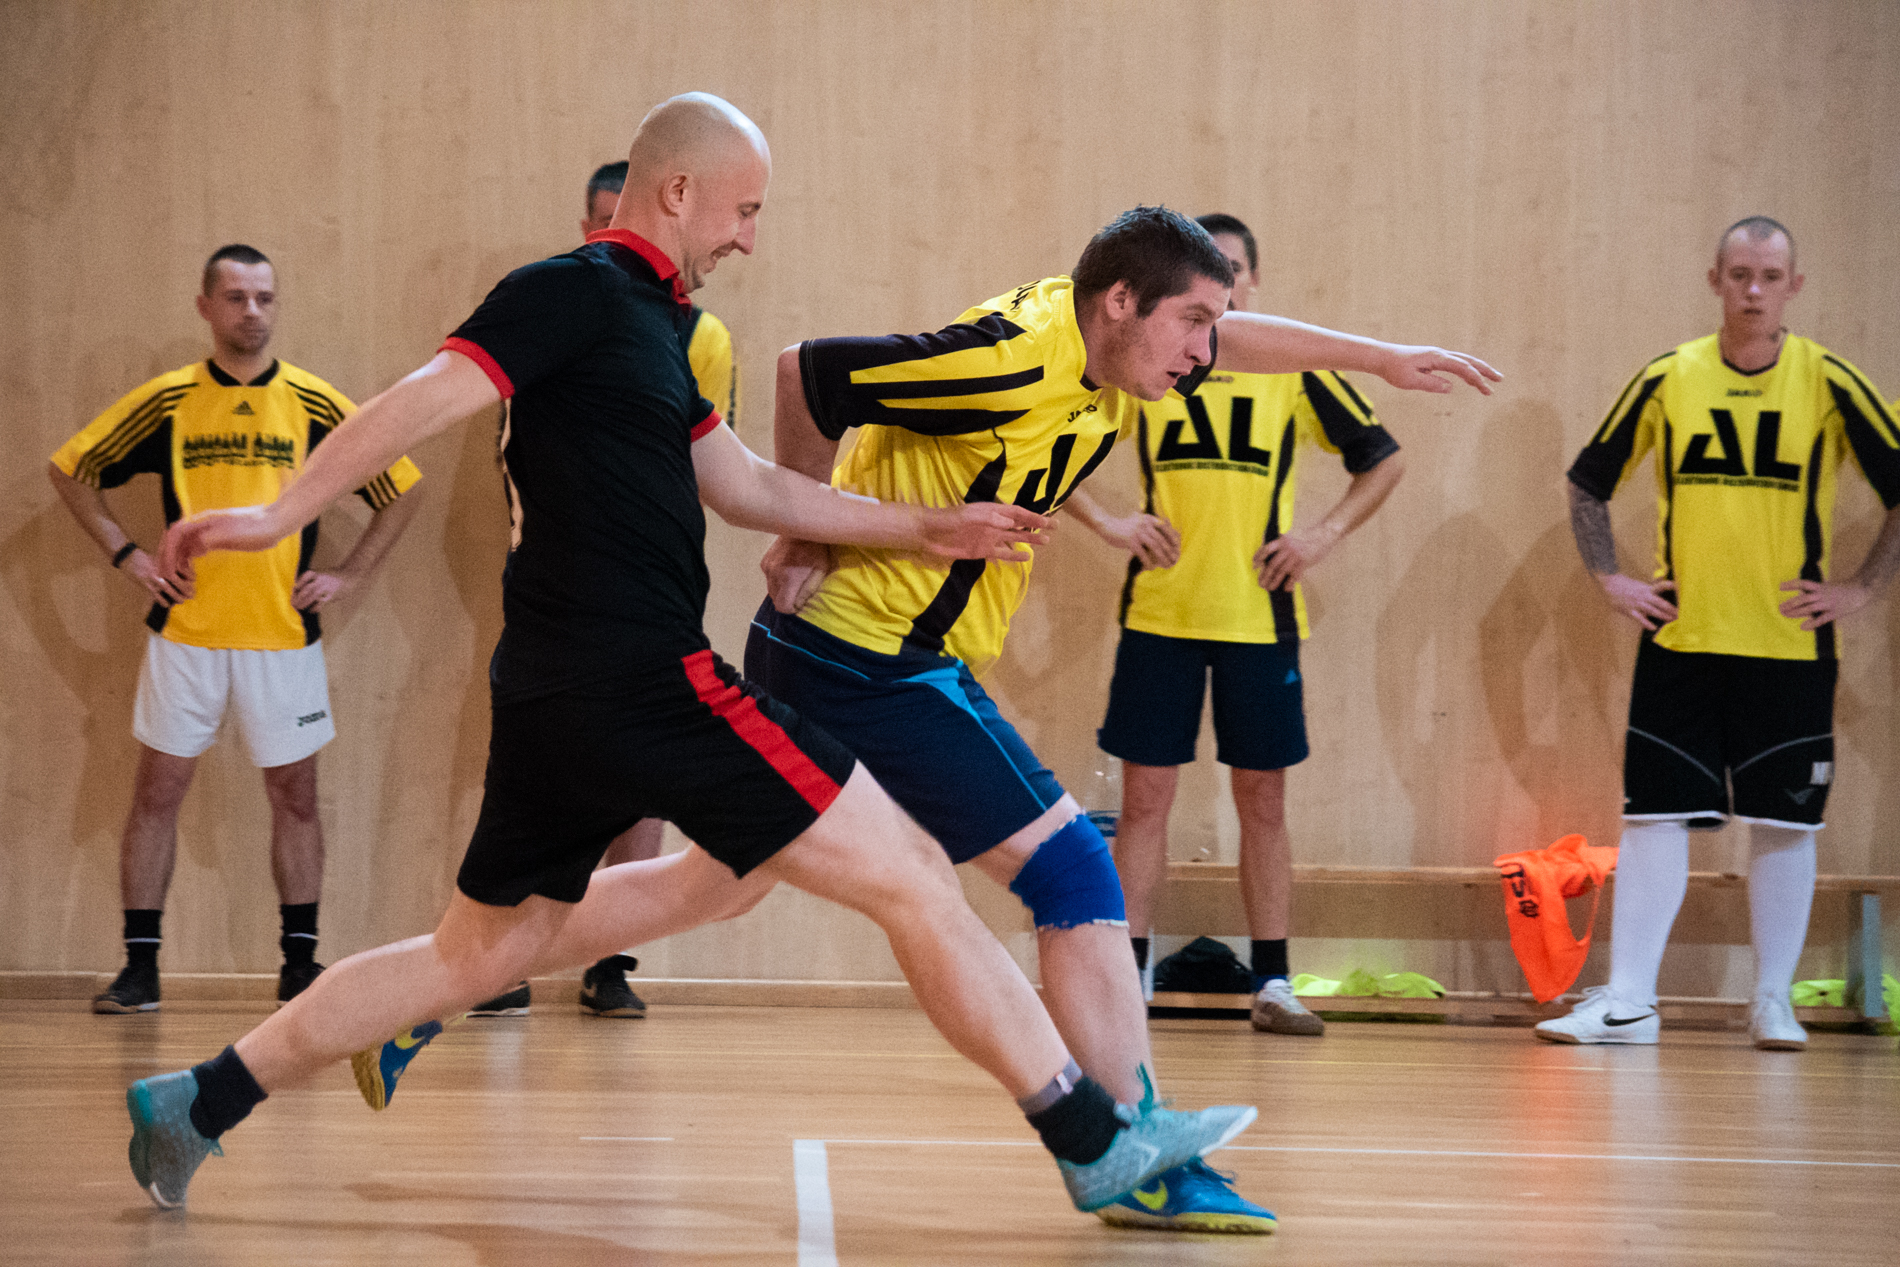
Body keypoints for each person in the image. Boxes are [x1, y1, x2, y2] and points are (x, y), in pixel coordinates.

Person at [124, 94, 1252, 1217]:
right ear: (676, 191)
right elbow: (425, 397)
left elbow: (746, 485)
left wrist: (923, 527)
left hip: (556, 694)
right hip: (644, 682)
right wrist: (278, 514)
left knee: (473, 955)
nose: (748, 237)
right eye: (743, 210)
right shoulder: (568, 291)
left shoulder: (659, 329)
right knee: (911, 871)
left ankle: (196, 1100)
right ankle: (1091, 1139)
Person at [742, 205, 1495, 1232]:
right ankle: (1135, 1148)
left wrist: (1380, 358)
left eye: (1212, 325)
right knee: (1071, 870)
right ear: (1121, 302)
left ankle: (487, 954)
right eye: (1192, 322)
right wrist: (801, 526)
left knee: (716, 885)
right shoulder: (1011, 362)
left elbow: (1240, 342)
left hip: (878, 656)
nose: (1204, 350)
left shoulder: (1110, 350)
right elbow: (805, 372)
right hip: (862, 658)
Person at [1537, 216, 1900, 1050]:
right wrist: (1609, 576)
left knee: (1786, 822)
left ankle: (1772, 1000)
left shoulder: (1830, 380)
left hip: (1788, 647)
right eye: (1739, 275)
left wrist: (1863, 586)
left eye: (1770, 277)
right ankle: (1630, 1002)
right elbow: (1588, 482)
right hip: (1683, 642)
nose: (1753, 291)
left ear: (1794, 287)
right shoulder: (1670, 376)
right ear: (1715, 281)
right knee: (1654, 817)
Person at [48, 244, 422, 1014]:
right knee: (157, 792)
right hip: (185, 633)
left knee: (297, 796)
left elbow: (402, 488)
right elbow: (71, 470)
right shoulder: (169, 400)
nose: (252, 311)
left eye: (264, 297)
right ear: (206, 306)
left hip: (282, 638)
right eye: (237, 297)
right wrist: (127, 556)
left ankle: (300, 967)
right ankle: (140, 968)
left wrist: (350, 574)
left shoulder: (315, 403)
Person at [1066, 213, 1405, 1040]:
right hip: (1161, 614)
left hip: (1260, 617)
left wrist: (1320, 536)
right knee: (1145, 800)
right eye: (1208, 269)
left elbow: (1383, 457)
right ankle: (1128, 976)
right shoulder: (1145, 360)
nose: (1223, 283)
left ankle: (1274, 980)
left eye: (1235, 268)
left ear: (1250, 283)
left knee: (1264, 799)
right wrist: (1109, 523)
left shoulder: (1293, 372)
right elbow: (1053, 439)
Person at [469, 159, 744, 1019]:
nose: (603, 232)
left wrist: (913, 524)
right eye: (594, 218)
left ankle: (606, 962)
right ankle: (485, 964)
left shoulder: (697, 334)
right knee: (543, 790)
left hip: (653, 608)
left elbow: (718, 473)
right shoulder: (558, 303)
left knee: (646, 795)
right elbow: (509, 440)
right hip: (561, 609)